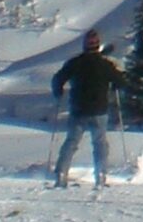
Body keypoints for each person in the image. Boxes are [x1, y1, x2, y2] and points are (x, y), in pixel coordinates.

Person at [49, 29, 124, 189]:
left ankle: (61, 175)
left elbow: (58, 79)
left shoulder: (75, 63)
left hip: (78, 110)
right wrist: (116, 85)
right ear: (98, 46)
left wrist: (58, 92)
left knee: (71, 142)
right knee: (100, 144)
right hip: (99, 110)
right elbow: (122, 81)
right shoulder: (105, 65)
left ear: (84, 46)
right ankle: (101, 176)